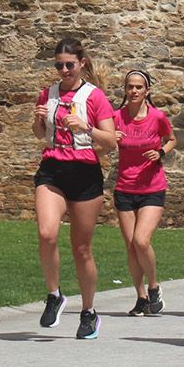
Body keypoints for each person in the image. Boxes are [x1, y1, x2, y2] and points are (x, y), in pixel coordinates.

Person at [32, 37, 117, 339]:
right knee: (46, 233)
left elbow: (110, 140)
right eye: (59, 65)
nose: (64, 70)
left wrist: (85, 127)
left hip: (84, 172)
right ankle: (54, 294)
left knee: (81, 249)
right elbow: (40, 134)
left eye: (69, 65)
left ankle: (89, 311)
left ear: (81, 64)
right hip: (52, 169)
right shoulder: (48, 94)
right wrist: (39, 121)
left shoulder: (95, 97)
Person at [112, 68, 176, 316]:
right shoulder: (116, 117)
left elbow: (171, 139)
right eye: (130, 87)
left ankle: (154, 286)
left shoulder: (157, 117)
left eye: (139, 87)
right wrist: (110, 138)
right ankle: (140, 297)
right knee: (130, 246)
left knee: (141, 240)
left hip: (152, 187)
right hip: (124, 188)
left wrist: (160, 152)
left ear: (147, 90)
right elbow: (100, 145)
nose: (134, 91)